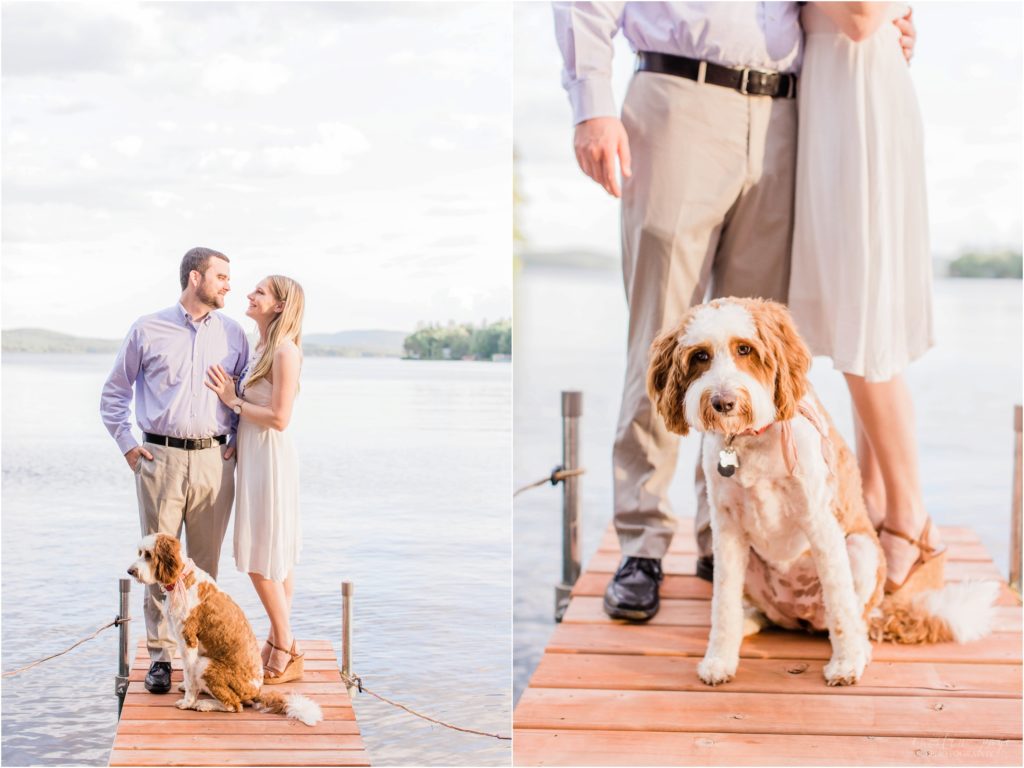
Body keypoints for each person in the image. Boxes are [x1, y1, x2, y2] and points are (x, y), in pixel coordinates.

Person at [553, 2, 915, 621]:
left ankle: (719, 540)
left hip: (788, 116)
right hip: (678, 98)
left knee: (750, 361)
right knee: (664, 341)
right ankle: (642, 543)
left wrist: (895, 18)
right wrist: (592, 104)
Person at [788, 2, 943, 595]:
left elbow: (859, 13)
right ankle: (875, 505)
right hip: (836, 94)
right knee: (858, 311)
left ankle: (911, 518)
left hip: (857, 101)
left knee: (864, 315)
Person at [101, 247, 249, 693]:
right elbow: (114, 394)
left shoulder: (235, 335)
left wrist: (238, 440)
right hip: (159, 459)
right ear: (195, 278)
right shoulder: (147, 329)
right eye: (221, 276)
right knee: (156, 565)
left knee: (204, 566)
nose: (228, 284)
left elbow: (247, 395)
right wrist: (128, 447)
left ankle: (200, 658)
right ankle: (161, 658)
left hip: (213, 462)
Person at [205, 275, 306, 684]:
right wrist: (234, 432)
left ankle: (287, 644)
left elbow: (280, 418)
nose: (249, 294)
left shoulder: (284, 351)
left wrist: (233, 400)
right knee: (272, 551)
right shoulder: (259, 345)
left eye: (260, 292)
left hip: (270, 457)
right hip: (252, 452)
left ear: (279, 306)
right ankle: (277, 639)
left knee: (260, 552)